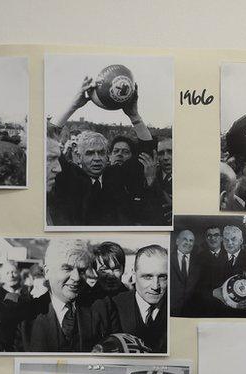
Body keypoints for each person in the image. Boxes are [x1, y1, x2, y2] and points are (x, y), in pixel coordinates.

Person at [47, 76, 157, 227]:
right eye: (90, 153)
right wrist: (74, 105)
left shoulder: (116, 176)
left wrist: (134, 116)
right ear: (78, 156)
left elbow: (147, 149)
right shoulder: (68, 176)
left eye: (101, 153)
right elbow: (45, 141)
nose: (97, 158)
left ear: (108, 155)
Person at [18, 240, 100, 352]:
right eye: (67, 268)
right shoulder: (24, 317)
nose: (76, 277)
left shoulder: (101, 309)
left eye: (81, 270)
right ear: (47, 272)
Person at [91, 244, 169, 353]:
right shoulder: (107, 306)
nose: (155, 286)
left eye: (162, 277)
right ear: (134, 273)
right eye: (147, 276)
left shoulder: (176, 308)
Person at [170, 229, 201, 315]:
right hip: (171, 311)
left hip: (192, 312)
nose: (188, 243)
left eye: (191, 240)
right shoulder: (168, 259)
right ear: (177, 241)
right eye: (185, 239)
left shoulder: (199, 262)